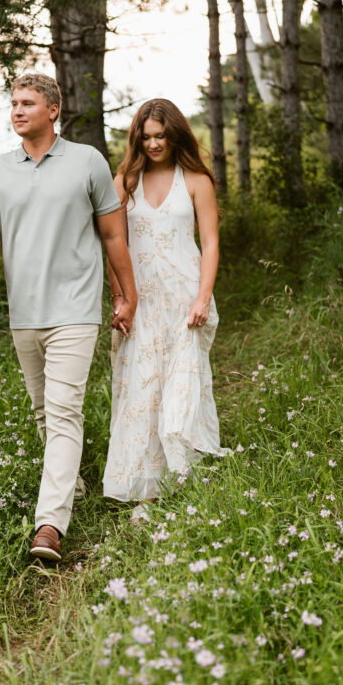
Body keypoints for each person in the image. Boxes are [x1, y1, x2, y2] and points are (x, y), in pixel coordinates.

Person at [0, 73, 137, 562]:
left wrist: (128, 293)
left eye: (27, 103)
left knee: (63, 412)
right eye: (13, 103)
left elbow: (112, 236)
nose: (17, 111)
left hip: (76, 311)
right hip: (25, 313)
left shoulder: (86, 161)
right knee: (46, 413)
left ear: (53, 110)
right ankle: (72, 485)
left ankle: (49, 525)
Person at [103, 99, 222, 518]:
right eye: (147, 136)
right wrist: (119, 298)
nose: (154, 143)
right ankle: (147, 494)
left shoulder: (195, 180)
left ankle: (186, 479)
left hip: (184, 298)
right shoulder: (125, 181)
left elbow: (209, 243)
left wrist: (202, 297)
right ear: (138, 138)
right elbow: (112, 244)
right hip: (141, 302)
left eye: (161, 136)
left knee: (181, 389)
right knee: (143, 391)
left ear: (175, 135)